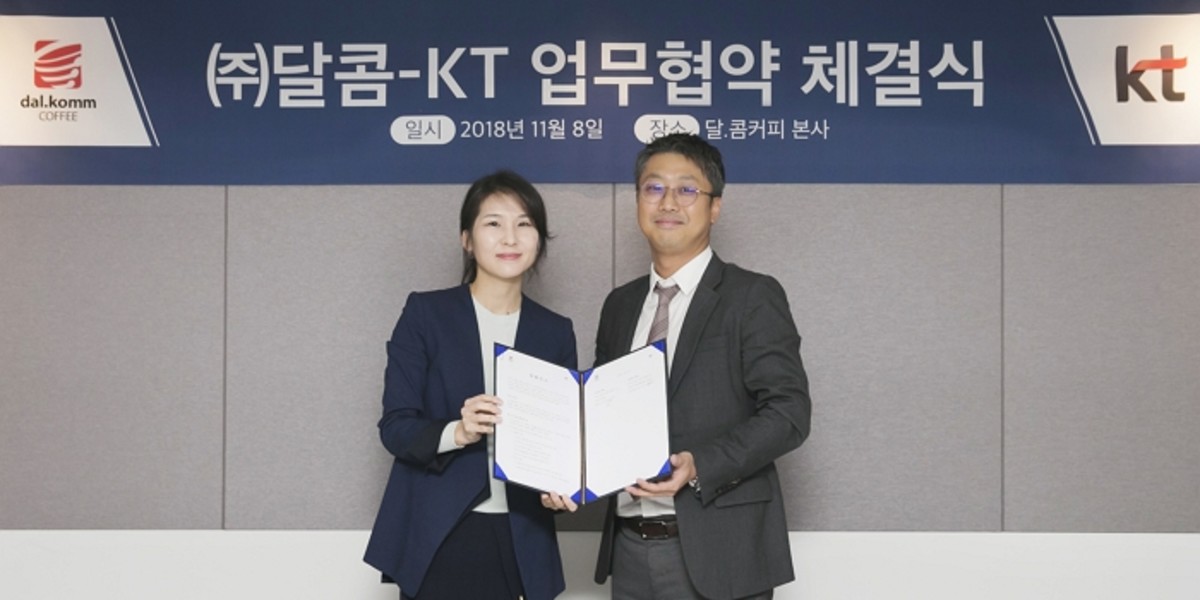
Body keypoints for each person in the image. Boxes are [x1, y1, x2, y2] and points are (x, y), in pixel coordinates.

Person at [548, 133, 812, 599]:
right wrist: (565, 475)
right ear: (638, 202)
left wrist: (699, 465)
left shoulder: (751, 296)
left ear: (715, 207)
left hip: (722, 553)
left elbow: (789, 413)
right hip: (629, 551)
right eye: (654, 188)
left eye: (686, 189)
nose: (668, 202)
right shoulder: (620, 305)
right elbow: (602, 414)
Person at [364, 170, 578, 600]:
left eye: (524, 224)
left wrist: (565, 485)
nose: (510, 237)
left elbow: (563, 440)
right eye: (493, 223)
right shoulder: (426, 314)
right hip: (440, 531)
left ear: (539, 241)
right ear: (467, 239)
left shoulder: (555, 331)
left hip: (522, 537)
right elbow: (396, 427)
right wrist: (457, 432)